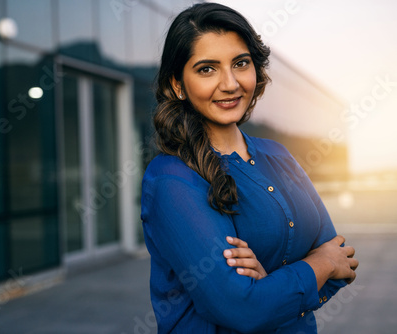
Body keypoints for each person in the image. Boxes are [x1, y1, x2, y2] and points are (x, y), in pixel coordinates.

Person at [140, 3, 358, 333]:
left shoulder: (279, 155)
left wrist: (272, 286)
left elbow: (344, 262)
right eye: (206, 69)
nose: (230, 84)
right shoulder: (172, 180)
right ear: (177, 85)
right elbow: (243, 309)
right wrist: (319, 264)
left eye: (240, 63)